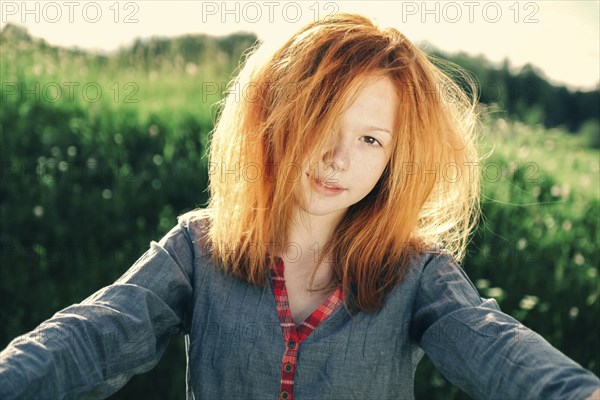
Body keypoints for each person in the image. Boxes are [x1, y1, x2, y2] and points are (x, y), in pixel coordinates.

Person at [1, 13, 599, 400]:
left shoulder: (417, 273)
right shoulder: (197, 249)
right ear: (273, 119)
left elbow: (492, 344)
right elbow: (93, 336)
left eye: (371, 140)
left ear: (395, 157)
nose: (340, 158)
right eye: (322, 123)